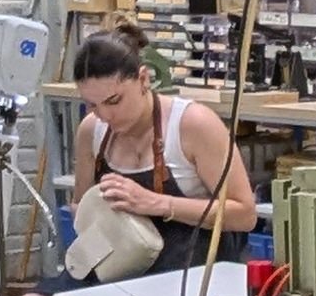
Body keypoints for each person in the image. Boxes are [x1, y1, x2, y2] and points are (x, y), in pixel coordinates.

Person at [65, 26, 255, 278]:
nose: (105, 115)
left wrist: (156, 203)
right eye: (92, 104)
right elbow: (81, 205)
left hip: (188, 276)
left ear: (143, 79)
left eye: (114, 101)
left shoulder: (193, 124)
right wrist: (91, 214)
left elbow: (244, 215)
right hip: (115, 267)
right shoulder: (92, 130)